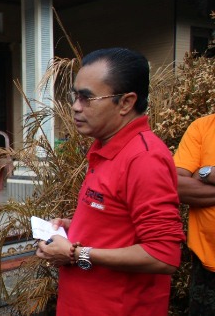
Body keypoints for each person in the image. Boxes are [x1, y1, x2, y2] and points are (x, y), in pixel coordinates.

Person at [35, 48, 185, 315]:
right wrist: (74, 228)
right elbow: (117, 221)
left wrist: (75, 253)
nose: (75, 106)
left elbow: (163, 255)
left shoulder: (143, 159)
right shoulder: (106, 148)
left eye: (87, 98)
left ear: (126, 103)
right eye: (75, 96)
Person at [173, 113, 215, 315]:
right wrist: (210, 172)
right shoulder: (203, 127)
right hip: (208, 266)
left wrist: (202, 174)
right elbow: (176, 186)